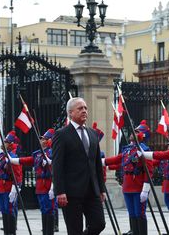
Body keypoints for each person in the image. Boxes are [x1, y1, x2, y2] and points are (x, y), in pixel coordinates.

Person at [52, 97, 106, 235]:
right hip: (71, 192)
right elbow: (57, 165)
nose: (84, 111)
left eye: (85, 108)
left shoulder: (93, 134)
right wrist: (60, 191)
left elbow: (96, 164)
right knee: (74, 229)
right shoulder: (61, 135)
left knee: (99, 224)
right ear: (71, 113)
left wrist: (101, 188)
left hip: (92, 190)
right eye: (80, 108)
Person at [104, 120, 153, 235]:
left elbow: (149, 171)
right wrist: (102, 161)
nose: (133, 133)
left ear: (142, 135)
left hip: (138, 186)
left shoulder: (144, 150)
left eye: (136, 132)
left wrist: (145, 189)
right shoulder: (127, 149)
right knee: (131, 212)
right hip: (127, 185)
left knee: (139, 213)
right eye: (134, 131)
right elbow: (117, 159)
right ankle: (134, 231)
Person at [10, 128, 56, 235]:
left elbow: (57, 168)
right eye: (41, 139)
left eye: (44, 139)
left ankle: (50, 232)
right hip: (40, 185)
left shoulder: (53, 153)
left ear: (49, 141)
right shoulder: (37, 154)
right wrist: (13, 160)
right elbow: (27, 160)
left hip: (49, 184)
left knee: (50, 210)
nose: (41, 141)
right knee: (44, 210)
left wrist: (50, 162)